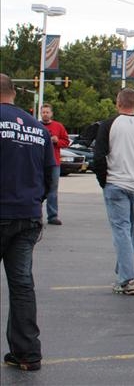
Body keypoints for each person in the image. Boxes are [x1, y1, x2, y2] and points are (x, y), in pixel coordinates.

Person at [0, 73, 55, 371]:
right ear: (14, 94)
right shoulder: (38, 128)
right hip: (28, 215)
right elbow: (50, 176)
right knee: (22, 285)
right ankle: (27, 353)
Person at [94, 88, 134, 296]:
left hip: (117, 183)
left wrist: (103, 180)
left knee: (121, 230)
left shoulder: (109, 125)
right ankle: (124, 271)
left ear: (118, 102)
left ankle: (128, 279)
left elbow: (98, 157)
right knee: (130, 230)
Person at [40, 103, 70, 225]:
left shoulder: (58, 126)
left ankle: (52, 216)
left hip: (54, 162)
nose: (45, 114)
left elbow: (66, 142)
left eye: (47, 112)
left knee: (52, 189)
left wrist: (57, 141)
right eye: (43, 112)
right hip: (38, 162)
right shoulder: (36, 125)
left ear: (51, 113)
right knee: (37, 188)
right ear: (40, 113)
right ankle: (35, 214)